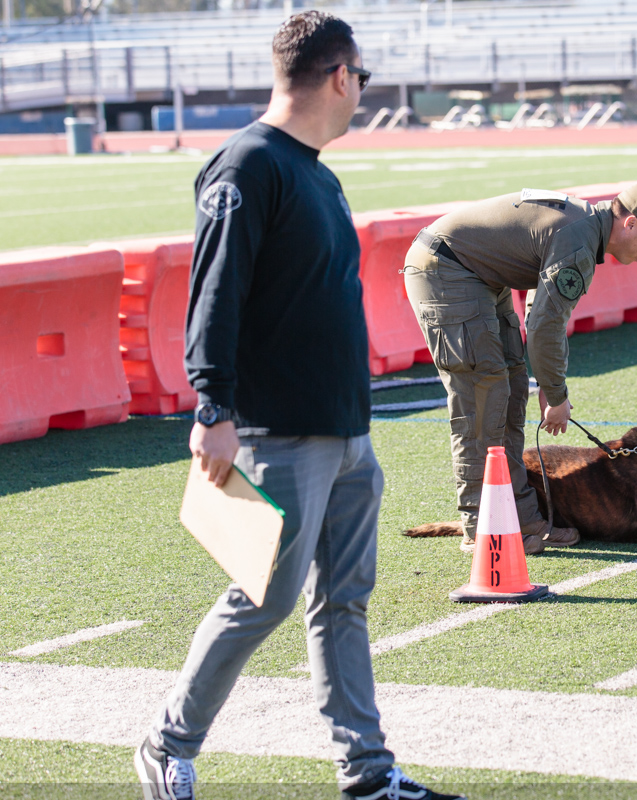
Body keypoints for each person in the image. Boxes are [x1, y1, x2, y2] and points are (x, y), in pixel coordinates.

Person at [133, 12, 462, 800]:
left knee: (343, 602)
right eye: (363, 78)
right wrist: (212, 407)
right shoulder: (248, 164)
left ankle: (367, 772)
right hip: (277, 428)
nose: (363, 92)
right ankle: (167, 744)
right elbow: (215, 294)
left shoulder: (317, 173)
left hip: (345, 429)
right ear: (340, 76)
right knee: (265, 594)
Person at [404, 183, 637, 555]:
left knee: (512, 389)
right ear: (631, 223)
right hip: (448, 270)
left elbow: (540, 312)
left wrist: (547, 386)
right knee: (483, 402)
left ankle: (521, 516)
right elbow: (545, 327)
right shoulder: (580, 241)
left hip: (479, 273)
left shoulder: (585, 230)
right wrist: (555, 394)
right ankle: (481, 527)